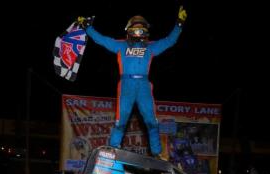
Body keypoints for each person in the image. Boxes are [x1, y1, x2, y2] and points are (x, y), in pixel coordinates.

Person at [77, 7, 187, 157]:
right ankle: (113, 150)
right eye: (135, 30)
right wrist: (87, 27)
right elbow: (101, 39)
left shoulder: (150, 47)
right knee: (121, 120)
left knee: (151, 121)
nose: (138, 33)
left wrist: (179, 24)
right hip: (126, 85)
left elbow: (170, 41)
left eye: (141, 30)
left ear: (146, 32)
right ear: (128, 30)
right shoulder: (121, 45)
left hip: (143, 85)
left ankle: (157, 153)